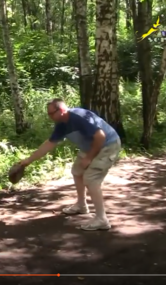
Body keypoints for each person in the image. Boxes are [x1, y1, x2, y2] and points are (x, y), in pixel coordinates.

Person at [17, 98, 121, 230]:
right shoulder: (61, 124)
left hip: (108, 145)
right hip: (90, 146)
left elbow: (100, 136)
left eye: (51, 113)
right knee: (77, 171)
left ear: (61, 110)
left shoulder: (79, 117)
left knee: (91, 179)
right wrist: (28, 161)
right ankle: (81, 205)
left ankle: (102, 219)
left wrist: (89, 158)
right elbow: (49, 144)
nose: (49, 117)